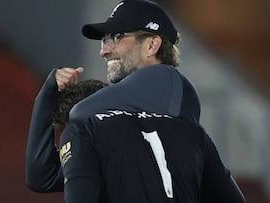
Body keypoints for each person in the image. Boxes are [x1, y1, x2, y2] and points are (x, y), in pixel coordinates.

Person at [57, 0, 246, 202]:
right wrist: (49, 89)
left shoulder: (93, 126)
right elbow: (41, 176)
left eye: (117, 37)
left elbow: (79, 113)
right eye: (104, 40)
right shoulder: (192, 132)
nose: (103, 50)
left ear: (151, 44)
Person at [25, 67, 108, 192]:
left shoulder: (134, 148)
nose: (74, 141)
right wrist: (48, 92)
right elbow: (41, 178)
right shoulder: (82, 160)